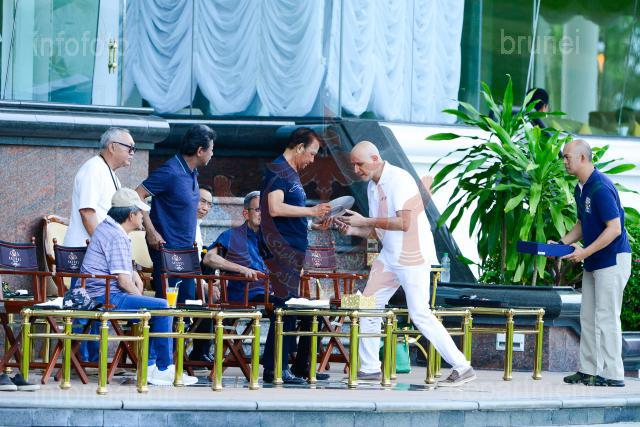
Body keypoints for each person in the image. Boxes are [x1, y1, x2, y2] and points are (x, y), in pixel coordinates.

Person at [334, 140, 476, 386]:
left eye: (360, 164)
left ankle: (462, 367)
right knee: (368, 306)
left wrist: (364, 221)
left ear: (375, 159)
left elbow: (403, 223)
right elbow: (379, 230)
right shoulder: (372, 186)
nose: (356, 170)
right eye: (353, 165)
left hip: (413, 255)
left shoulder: (399, 179)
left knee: (419, 313)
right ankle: (369, 369)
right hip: (390, 256)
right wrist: (353, 230)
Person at [81, 188, 198, 386]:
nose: (143, 216)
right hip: (105, 297)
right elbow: (123, 282)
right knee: (162, 307)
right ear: (130, 215)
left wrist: (134, 271)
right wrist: (143, 301)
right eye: (140, 213)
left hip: (100, 294)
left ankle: (151, 367)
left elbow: (122, 268)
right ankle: (162, 368)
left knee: (157, 309)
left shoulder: (107, 228)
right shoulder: (116, 236)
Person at [556, 139, 631, 387]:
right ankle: (588, 369)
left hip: (612, 259)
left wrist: (585, 252)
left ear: (582, 158)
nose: (564, 161)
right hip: (594, 260)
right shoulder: (581, 188)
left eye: (567, 157)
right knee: (587, 316)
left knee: (607, 316)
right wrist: (561, 243)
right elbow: (582, 224)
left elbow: (615, 229)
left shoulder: (600, 187)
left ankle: (613, 374)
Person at [259, 127, 332, 383]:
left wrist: (311, 223)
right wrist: (311, 212)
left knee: (291, 306)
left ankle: (295, 366)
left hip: (292, 248)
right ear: (299, 147)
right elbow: (275, 208)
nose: (312, 159)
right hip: (281, 249)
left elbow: (289, 214)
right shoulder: (279, 169)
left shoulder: (290, 173)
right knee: (284, 307)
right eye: (311, 153)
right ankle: (275, 368)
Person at [65, 127, 137, 361]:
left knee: (98, 308)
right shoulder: (93, 169)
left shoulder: (111, 174)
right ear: (112, 146)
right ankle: (79, 363)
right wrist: (104, 248)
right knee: (84, 310)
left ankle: (92, 363)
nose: (133, 153)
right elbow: (88, 213)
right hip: (85, 252)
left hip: (98, 252)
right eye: (130, 148)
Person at [135, 124, 215, 302]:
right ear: (200, 151)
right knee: (169, 304)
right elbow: (137, 195)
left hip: (186, 251)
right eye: (211, 149)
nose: (212, 154)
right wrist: (150, 231)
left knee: (187, 303)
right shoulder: (170, 171)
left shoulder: (192, 172)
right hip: (167, 248)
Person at [196, 184, 214, 258]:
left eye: (209, 204)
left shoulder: (196, 224)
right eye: (202, 201)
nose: (205, 208)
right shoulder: (182, 225)